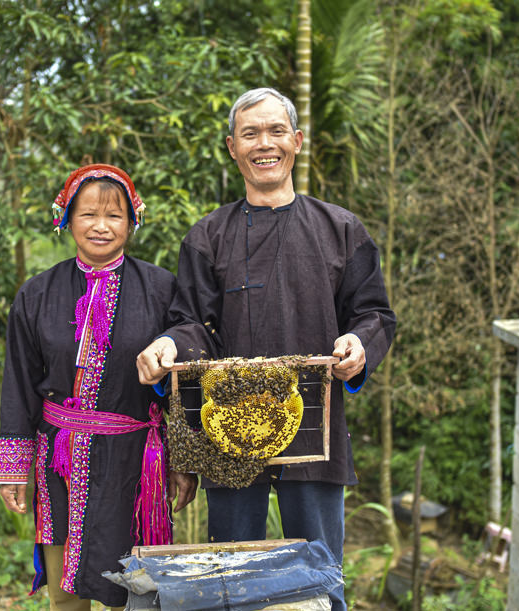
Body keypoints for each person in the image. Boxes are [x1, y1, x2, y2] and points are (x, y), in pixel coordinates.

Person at [136, 88, 397, 611]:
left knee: (319, 575)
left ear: (297, 142)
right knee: (231, 579)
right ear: (232, 147)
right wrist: (166, 344)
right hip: (226, 433)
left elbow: (375, 315)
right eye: (250, 134)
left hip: (313, 427)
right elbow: (192, 324)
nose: (265, 143)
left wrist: (359, 344)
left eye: (276, 131)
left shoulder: (341, 229)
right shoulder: (207, 237)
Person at [0, 164, 198, 611]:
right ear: (66, 219)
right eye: (88, 214)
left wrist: (184, 463)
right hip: (59, 464)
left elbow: (188, 383)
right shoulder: (36, 295)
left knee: (139, 594)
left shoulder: (163, 290)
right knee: (65, 597)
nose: (101, 226)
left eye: (115, 216)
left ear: (133, 222)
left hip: (137, 465)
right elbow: (19, 385)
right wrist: (14, 468)